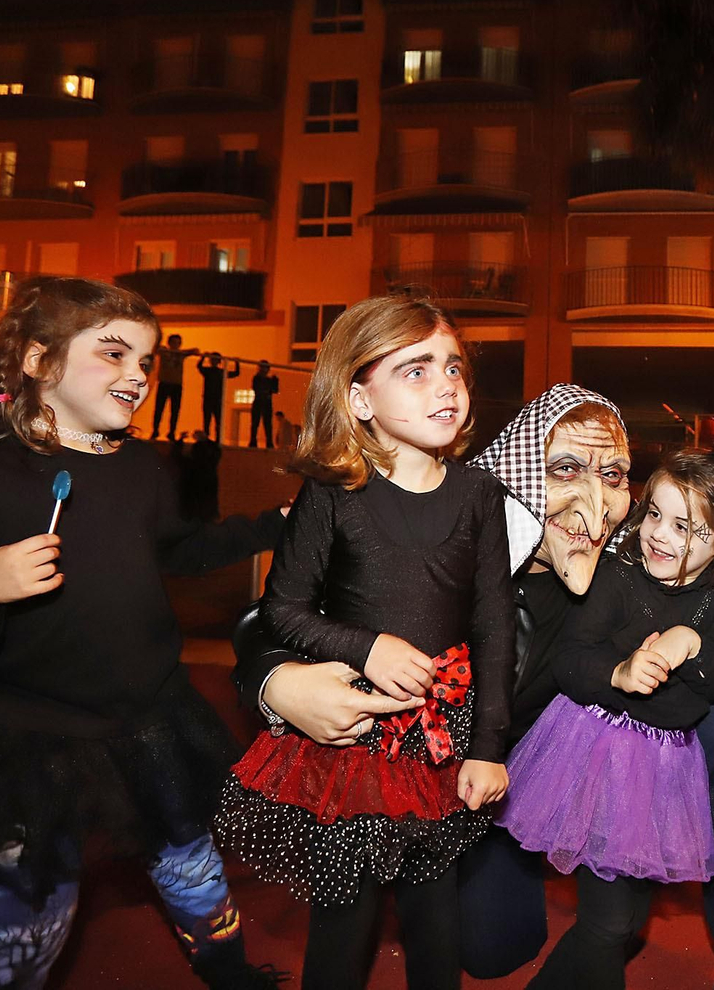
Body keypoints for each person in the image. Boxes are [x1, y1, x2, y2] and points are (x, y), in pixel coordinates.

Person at [237, 384, 714, 990]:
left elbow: (700, 585)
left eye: (614, 477)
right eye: (566, 470)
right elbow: (275, 618)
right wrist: (275, 680)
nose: (596, 503)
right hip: (472, 777)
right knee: (490, 948)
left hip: (582, 737)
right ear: (522, 475)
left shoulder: (619, 548)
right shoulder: (451, 542)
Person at [0, 278, 287, 990]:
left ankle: (230, 971)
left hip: (149, 716)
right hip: (27, 735)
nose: (137, 375)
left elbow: (181, 551)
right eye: (114, 353)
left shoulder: (140, 467)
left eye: (146, 362)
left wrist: (278, 523)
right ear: (38, 360)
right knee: (35, 907)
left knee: (191, 862)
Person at [215, 296, 513, 990]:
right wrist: (365, 646)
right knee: (342, 919)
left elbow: (495, 623)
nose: (446, 384)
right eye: (415, 369)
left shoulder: (480, 494)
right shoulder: (333, 492)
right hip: (356, 745)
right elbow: (281, 609)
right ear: (359, 397)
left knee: (437, 915)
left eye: (453, 368)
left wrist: (490, 745)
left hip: (442, 739)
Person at [497, 449, 714, 989]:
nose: (660, 534)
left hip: (663, 767)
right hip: (597, 753)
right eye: (655, 514)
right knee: (609, 921)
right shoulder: (619, 578)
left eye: (686, 528)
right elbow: (570, 660)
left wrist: (694, 644)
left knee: (630, 920)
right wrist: (618, 672)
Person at [152, 333, 198, 439]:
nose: (175, 345)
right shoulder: (164, 352)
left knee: (175, 410)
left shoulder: (181, 354)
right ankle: (155, 430)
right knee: (159, 408)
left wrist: (183, 352)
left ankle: (172, 431)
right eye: (173, 342)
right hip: (164, 383)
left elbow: (195, 350)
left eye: (177, 343)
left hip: (177, 384)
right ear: (169, 343)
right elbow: (155, 348)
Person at [198, 352, 241, 442]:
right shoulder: (216, 372)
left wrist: (237, 363)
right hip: (210, 399)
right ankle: (209, 438)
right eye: (212, 359)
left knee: (217, 420)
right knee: (208, 420)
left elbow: (236, 373)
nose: (214, 361)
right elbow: (199, 367)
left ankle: (217, 438)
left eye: (215, 360)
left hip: (216, 399)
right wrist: (237, 363)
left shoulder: (219, 372)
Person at [249, 360, 280, 448]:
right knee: (256, 423)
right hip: (260, 402)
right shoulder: (257, 378)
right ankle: (254, 441)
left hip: (266, 403)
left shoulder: (268, 380)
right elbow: (257, 389)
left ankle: (268, 442)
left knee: (267, 424)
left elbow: (275, 390)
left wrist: (275, 382)